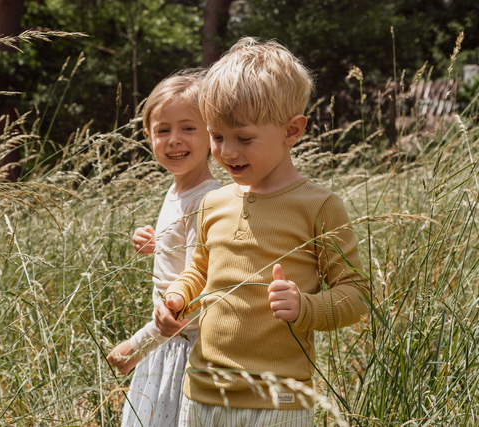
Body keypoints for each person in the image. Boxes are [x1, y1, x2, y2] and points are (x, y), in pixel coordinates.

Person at [154, 37, 370, 426]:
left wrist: (307, 307)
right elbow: (198, 271)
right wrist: (176, 295)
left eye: (244, 138)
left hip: (279, 401)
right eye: (217, 137)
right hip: (202, 391)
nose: (227, 152)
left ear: (292, 131)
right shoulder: (213, 203)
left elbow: (355, 295)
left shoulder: (318, 206)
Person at [107, 71, 221, 427]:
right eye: (162, 130)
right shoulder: (178, 191)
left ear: (212, 132)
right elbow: (183, 256)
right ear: (148, 136)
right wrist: (158, 245)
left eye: (188, 128)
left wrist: (135, 348)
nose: (174, 140)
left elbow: (193, 298)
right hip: (167, 344)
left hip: (183, 348)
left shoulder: (207, 200)